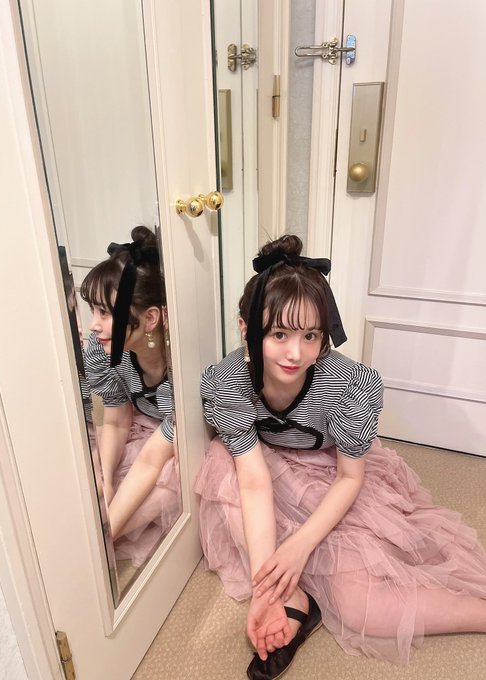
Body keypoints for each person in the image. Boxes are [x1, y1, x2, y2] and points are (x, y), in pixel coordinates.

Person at [195, 234, 486, 678]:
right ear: (246, 328)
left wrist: (300, 545)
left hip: (332, 474)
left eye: (310, 335)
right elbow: (252, 481)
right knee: (223, 464)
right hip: (262, 467)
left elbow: (350, 478)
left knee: (361, 606)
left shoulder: (348, 384)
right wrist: (266, 590)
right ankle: (292, 599)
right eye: (278, 334)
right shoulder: (227, 381)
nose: (296, 353)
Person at [81, 226, 181, 566]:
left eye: (105, 313)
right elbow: (114, 419)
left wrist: (107, 531)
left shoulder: (181, 365)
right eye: (93, 311)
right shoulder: (101, 348)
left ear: (150, 318)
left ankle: (101, 547)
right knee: (95, 470)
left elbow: (153, 458)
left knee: (173, 478)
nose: (93, 325)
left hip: (179, 439)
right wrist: (106, 479)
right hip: (142, 424)